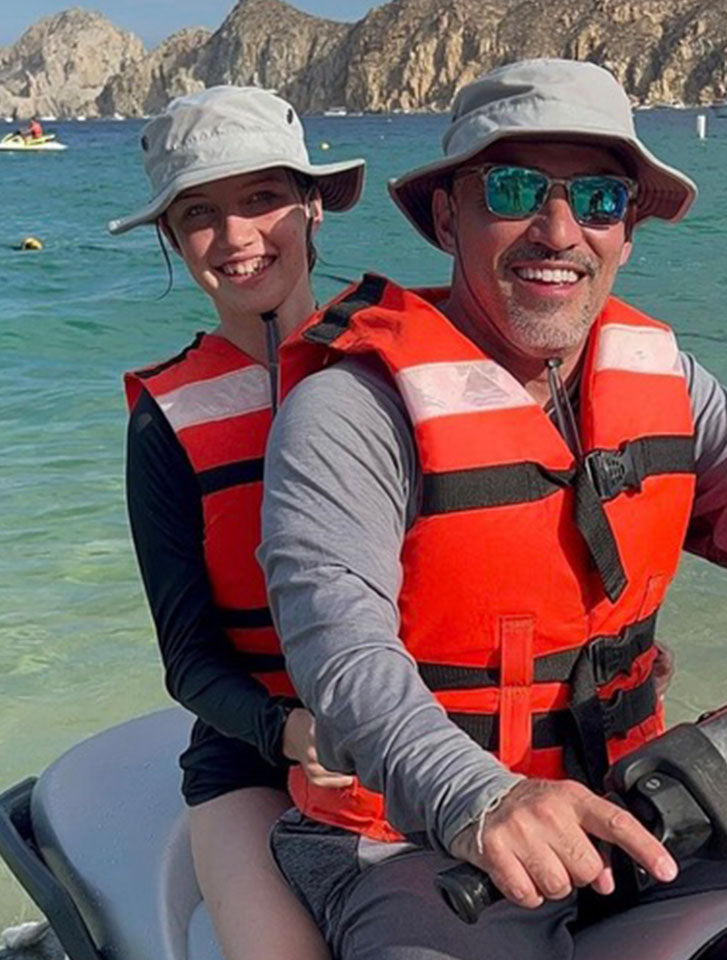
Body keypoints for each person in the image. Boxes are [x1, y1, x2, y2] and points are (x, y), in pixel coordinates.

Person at [259, 59, 727, 959]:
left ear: (627, 228)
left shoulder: (658, 377)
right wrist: (482, 799)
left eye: (598, 199)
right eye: (515, 189)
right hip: (414, 845)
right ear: (447, 216)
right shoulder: (352, 409)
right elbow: (341, 650)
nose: (559, 231)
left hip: (630, 807)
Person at [109, 86, 365, 960]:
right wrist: (294, 734)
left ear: (313, 204)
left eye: (263, 199)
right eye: (200, 214)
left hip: (435, 722)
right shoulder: (164, 419)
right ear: (173, 241)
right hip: (253, 756)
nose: (238, 236)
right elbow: (188, 659)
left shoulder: (401, 353)